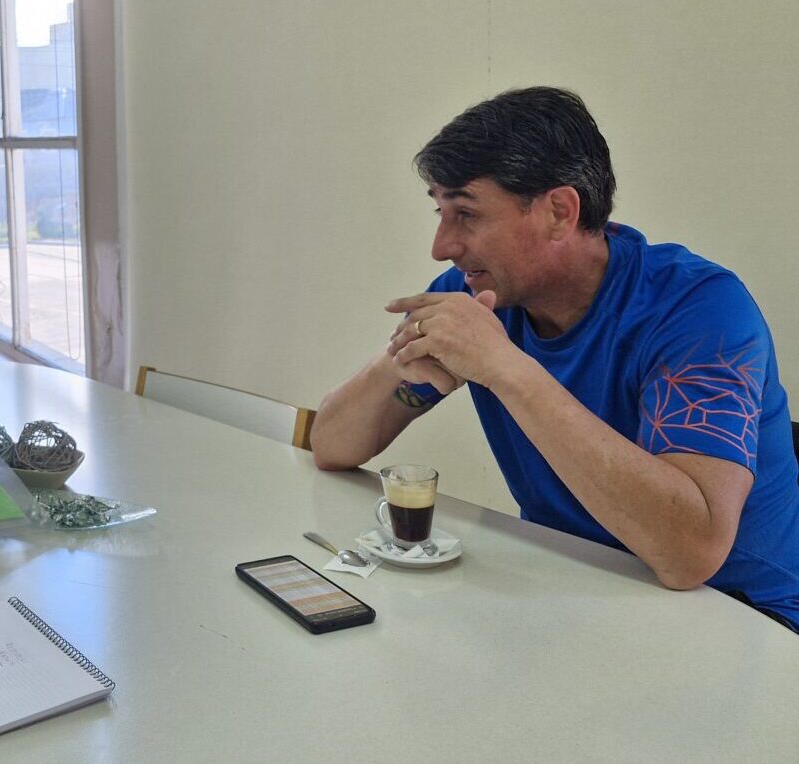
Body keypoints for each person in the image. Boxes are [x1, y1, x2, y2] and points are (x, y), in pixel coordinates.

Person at [312, 87, 799, 630]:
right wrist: (396, 363)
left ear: (559, 212)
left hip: (746, 619)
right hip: (578, 591)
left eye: (466, 213)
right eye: (440, 211)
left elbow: (691, 556)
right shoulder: (478, 297)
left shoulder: (699, 309)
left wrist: (504, 367)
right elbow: (331, 445)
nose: (442, 245)